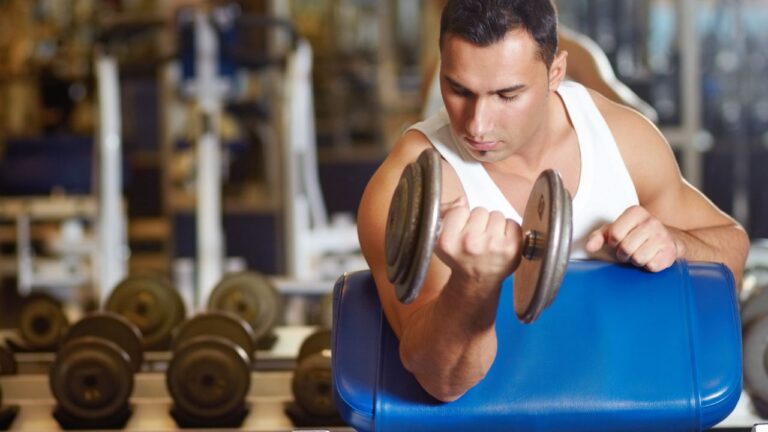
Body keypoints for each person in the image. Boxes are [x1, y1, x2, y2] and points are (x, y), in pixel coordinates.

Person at [356, 0, 749, 403]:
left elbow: (733, 254)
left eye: (507, 95)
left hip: (629, 407)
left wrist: (677, 244)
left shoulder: (621, 138)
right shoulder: (412, 184)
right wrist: (472, 285)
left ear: (555, 73)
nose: (477, 124)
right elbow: (442, 382)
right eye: (459, 90)